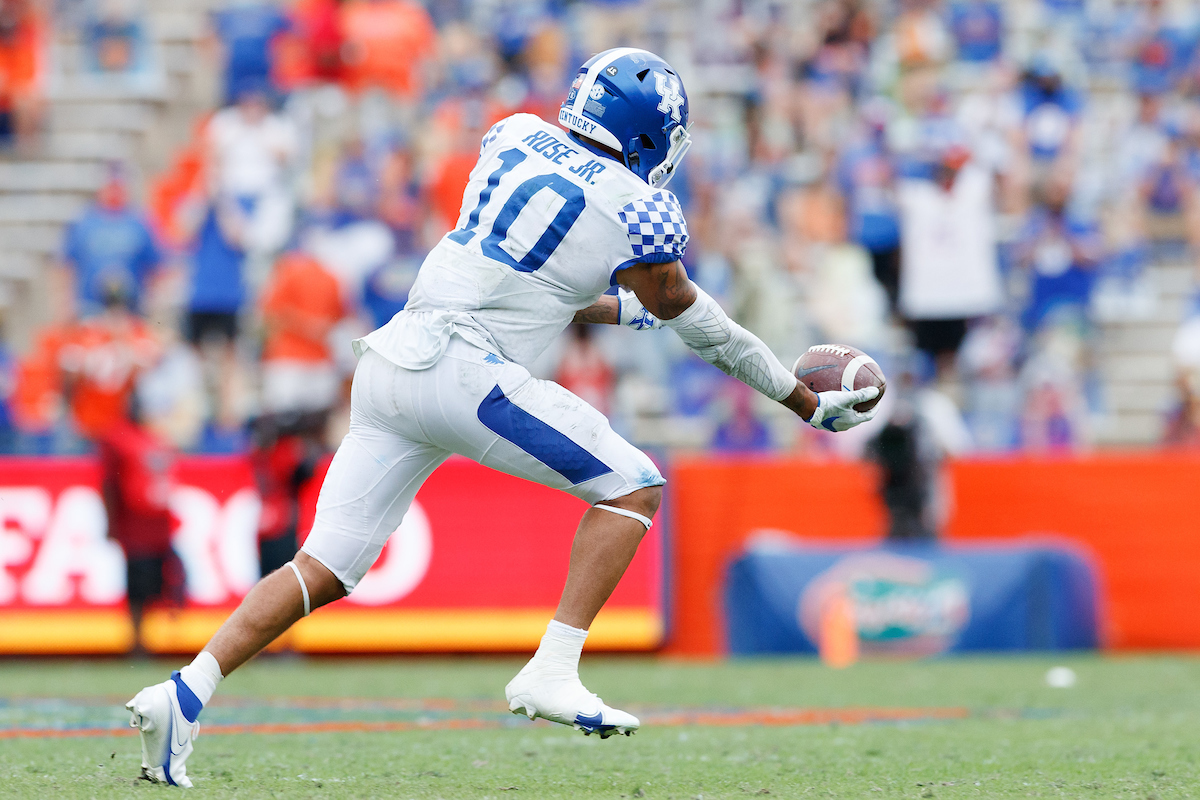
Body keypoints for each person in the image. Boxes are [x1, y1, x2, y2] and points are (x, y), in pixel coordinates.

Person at [126, 48, 879, 787]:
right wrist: (801, 398)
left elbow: (532, 271)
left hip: (390, 363)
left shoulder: (515, 133)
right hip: (464, 369)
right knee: (634, 488)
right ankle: (552, 670)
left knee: (320, 567)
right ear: (654, 135)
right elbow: (694, 317)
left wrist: (627, 311)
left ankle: (184, 693)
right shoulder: (640, 205)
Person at [99, 392, 183, 654]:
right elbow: (110, 484)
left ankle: (156, 640)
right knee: (138, 589)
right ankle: (137, 642)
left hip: (159, 527)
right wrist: (112, 522)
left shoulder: (154, 439)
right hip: (135, 528)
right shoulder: (120, 439)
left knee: (165, 584)